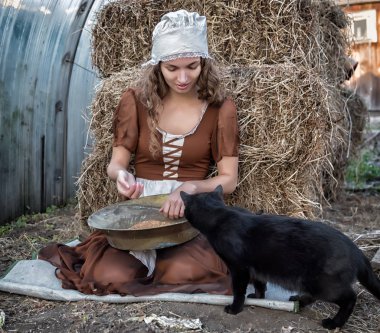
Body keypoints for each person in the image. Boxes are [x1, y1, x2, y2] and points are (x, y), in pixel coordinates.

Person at [39, 9, 239, 296]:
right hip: (138, 212)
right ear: (157, 64)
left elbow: (229, 180)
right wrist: (122, 176)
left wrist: (191, 187)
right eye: (172, 68)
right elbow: (116, 164)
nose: (183, 78)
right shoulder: (134, 101)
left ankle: (173, 262)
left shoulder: (221, 108)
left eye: (192, 66)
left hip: (191, 214)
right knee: (110, 276)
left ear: (204, 62)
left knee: (188, 273)